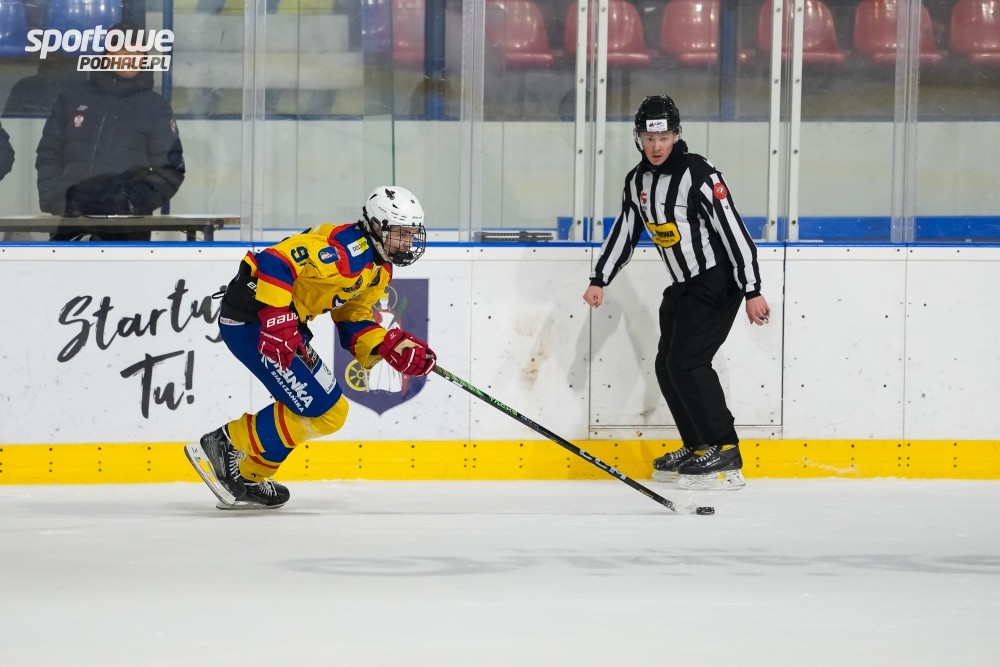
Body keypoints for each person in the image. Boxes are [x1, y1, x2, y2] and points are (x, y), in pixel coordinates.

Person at [185, 186, 437, 509]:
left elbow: (353, 316)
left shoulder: (379, 269)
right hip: (253, 319)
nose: (407, 243)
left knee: (328, 411)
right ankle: (225, 443)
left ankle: (249, 475)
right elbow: (274, 261)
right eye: (401, 234)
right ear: (376, 226)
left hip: (282, 324)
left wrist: (390, 345)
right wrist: (277, 317)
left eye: (412, 235)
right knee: (324, 408)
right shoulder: (346, 251)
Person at [582, 95, 770, 491]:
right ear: (638, 138)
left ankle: (726, 449)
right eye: (649, 138)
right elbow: (624, 232)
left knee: (688, 363)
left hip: (718, 281)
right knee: (668, 366)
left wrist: (752, 289)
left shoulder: (699, 174)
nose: (656, 146)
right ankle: (699, 445)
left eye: (664, 137)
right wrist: (600, 278)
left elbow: (735, 233)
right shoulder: (637, 181)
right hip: (684, 287)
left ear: (676, 135)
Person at [35, 22, 185, 241]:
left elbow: (171, 169)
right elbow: (48, 153)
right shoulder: (72, 98)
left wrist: (132, 204)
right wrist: (56, 198)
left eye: (138, 51)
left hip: (127, 230)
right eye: (123, 49)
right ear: (106, 54)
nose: (131, 56)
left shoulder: (155, 107)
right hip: (69, 222)